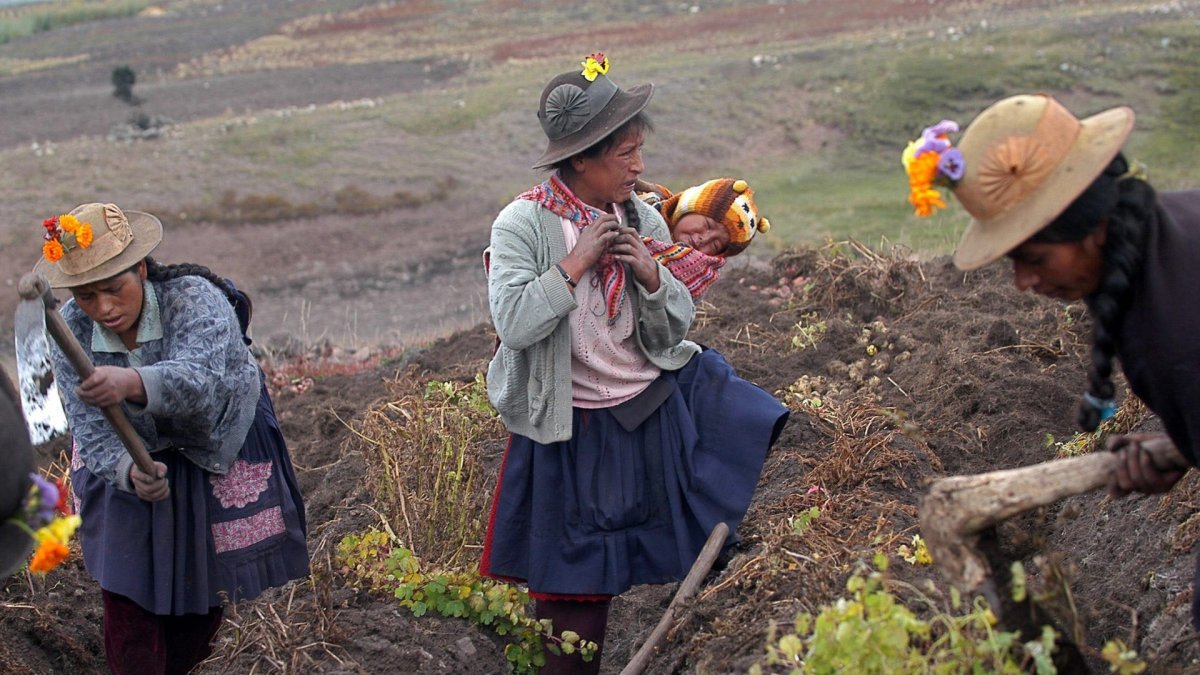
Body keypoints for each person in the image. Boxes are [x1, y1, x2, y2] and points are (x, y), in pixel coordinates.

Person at [478, 53, 789, 674]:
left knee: (715, 525)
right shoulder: (522, 225)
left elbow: (674, 323)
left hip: (647, 410)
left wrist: (651, 274)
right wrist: (575, 265)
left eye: (639, 150)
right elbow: (513, 324)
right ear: (584, 157)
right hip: (573, 429)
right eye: (626, 154)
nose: (640, 167)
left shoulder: (641, 215)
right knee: (573, 603)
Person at [909, 93, 1200, 626]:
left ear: (1092, 230)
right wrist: (1181, 445)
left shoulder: (1175, 337)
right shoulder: (1171, 228)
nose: (1024, 282)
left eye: (1035, 258)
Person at [32, 201, 310, 674]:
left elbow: (199, 385)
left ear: (140, 269)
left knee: (201, 593)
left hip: (211, 441)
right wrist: (127, 471)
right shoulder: (70, 332)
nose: (104, 308)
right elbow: (90, 427)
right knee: (127, 594)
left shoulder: (197, 299)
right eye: (86, 296)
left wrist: (129, 383)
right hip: (129, 454)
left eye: (113, 289)